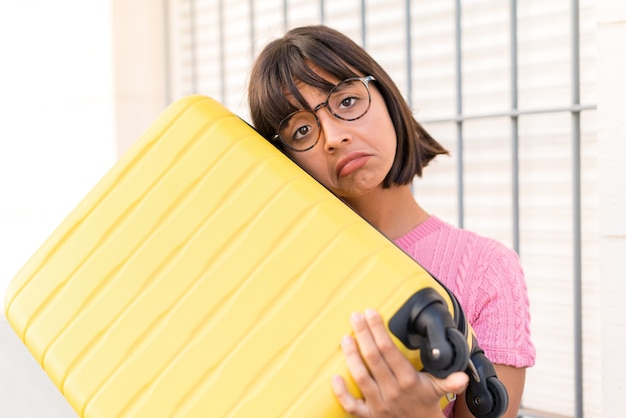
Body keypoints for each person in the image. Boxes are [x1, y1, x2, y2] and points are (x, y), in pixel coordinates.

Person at [247, 25, 535, 418]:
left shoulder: (486, 270)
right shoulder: (277, 272)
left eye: (346, 101)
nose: (332, 136)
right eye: (301, 130)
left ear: (385, 95)